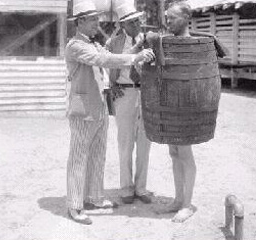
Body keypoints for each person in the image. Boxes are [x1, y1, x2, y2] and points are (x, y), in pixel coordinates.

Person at [65, 0, 155, 225]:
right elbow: (103, 59)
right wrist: (134, 58)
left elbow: (107, 54)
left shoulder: (92, 43)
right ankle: (75, 205)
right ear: (81, 21)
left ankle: (95, 197)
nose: (98, 23)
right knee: (78, 158)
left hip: (99, 107)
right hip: (83, 109)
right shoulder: (76, 45)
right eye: (94, 19)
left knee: (98, 155)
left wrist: (135, 50)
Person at [153, 2, 227, 223]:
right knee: (174, 152)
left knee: (185, 154)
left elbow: (205, 77)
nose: (168, 22)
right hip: (171, 103)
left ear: (186, 18)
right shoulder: (167, 43)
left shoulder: (197, 44)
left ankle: (187, 204)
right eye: (167, 18)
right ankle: (178, 199)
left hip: (188, 106)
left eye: (173, 18)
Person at [105, 3, 152, 205]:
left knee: (144, 143)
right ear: (122, 24)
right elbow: (105, 63)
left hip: (146, 93)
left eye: (138, 20)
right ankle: (126, 188)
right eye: (131, 21)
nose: (137, 24)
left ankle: (141, 188)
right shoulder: (114, 42)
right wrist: (110, 85)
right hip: (124, 92)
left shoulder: (150, 40)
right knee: (125, 143)